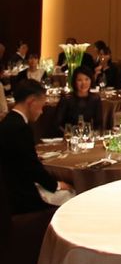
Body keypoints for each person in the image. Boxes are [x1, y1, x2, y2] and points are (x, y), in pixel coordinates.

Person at [0, 80, 73, 214]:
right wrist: (56, 185)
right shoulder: (20, 128)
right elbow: (33, 168)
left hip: (11, 189)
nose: (41, 112)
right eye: (41, 106)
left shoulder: (8, 121)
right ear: (32, 101)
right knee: (72, 194)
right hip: (21, 196)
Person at [55, 66, 103, 131]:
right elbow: (57, 124)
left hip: (88, 135)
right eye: (79, 80)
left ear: (91, 80)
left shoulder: (95, 99)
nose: (84, 83)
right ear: (74, 82)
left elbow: (99, 123)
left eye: (87, 79)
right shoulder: (66, 99)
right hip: (68, 134)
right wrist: (69, 133)